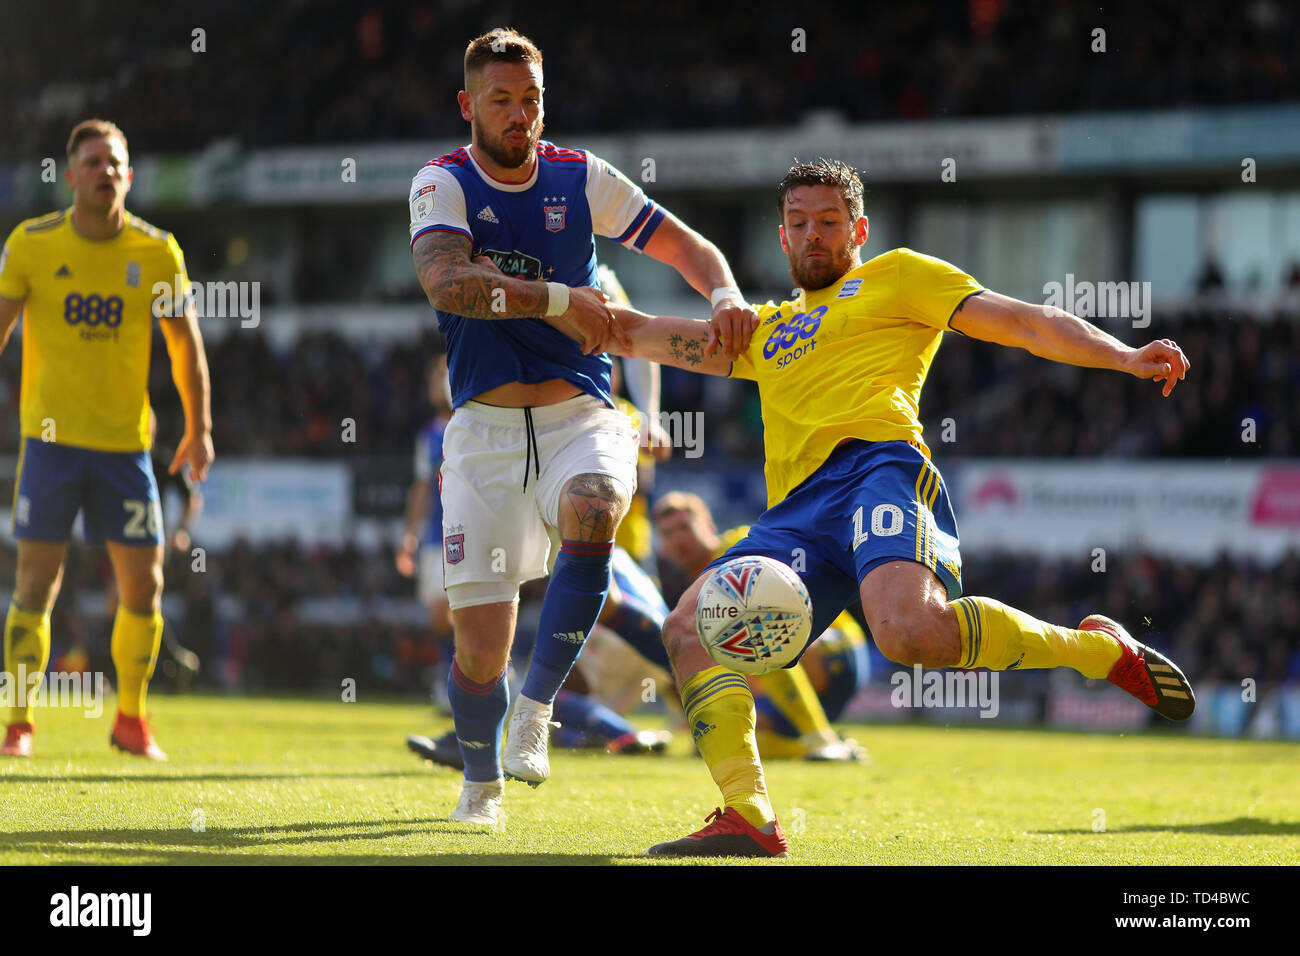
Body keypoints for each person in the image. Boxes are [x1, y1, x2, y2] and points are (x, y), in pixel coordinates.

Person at [609, 157, 1194, 856]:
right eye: (798, 224)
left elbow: (1023, 323)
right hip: (795, 512)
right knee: (687, 628)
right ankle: (748, 816)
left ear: (858, 229)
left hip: (879, 467)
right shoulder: (762, 330)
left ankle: (1099, 652)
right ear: (781, 236)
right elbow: (637, 332)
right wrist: (549, 306)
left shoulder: (899, 276)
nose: (812, 236)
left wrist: (1124, 356)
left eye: (828, 222)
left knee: (908, 635)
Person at [408, 28, 755, 825]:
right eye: (501, 100)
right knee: (476, 653)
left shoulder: (578, 176)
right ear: (468, 106)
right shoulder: (443, 182)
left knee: (597, 504)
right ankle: (480, 783)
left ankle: (537, 709)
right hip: (485, 433)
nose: (520, 115)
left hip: (580, 414)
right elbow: (450, 285)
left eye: (531, 99)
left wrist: (727, 293)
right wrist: (564, 301)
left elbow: (684, 246)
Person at [0, 119, 213, 760]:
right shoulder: (31, 245)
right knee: (35, 585)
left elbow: (186, 347)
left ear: (130, 174)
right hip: (49, 445)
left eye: (115, 163)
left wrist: (199, 428)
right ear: (70, 176)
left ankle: (130, 720)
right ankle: (18, 723)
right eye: (92, 162)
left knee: (144, 587)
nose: (105, 172)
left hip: (126, 449)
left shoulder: (157, 252)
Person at [652, 491, 867, 761]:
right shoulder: (696, 590)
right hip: (798, 686)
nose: (678, 538)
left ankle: (819, 738)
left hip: (836, 650)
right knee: (730, 741)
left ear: (708, 527)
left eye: (685, 527)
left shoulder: (740, 547)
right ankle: (829, 749)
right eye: (668, 533)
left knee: (754, 631)